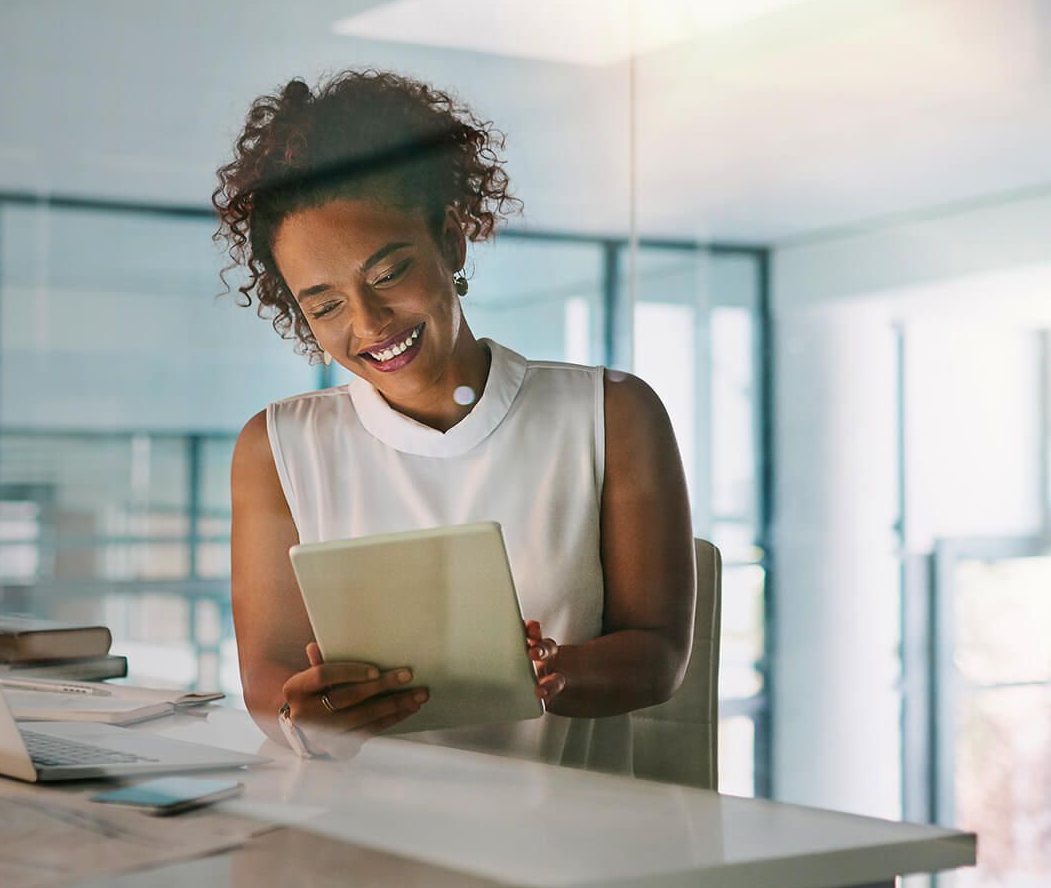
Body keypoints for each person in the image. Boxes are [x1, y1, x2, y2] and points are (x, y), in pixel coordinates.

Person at [214, 69, 694, 772]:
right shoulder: (277, 448)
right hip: (355, 837)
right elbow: (269, 676)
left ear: (450, 240)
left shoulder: (610, 415)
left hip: (560, 840)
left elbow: (658, 652)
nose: (369, 324)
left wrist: (556, 674)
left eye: (387, 274)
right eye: (324, 306)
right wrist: (304, 715)